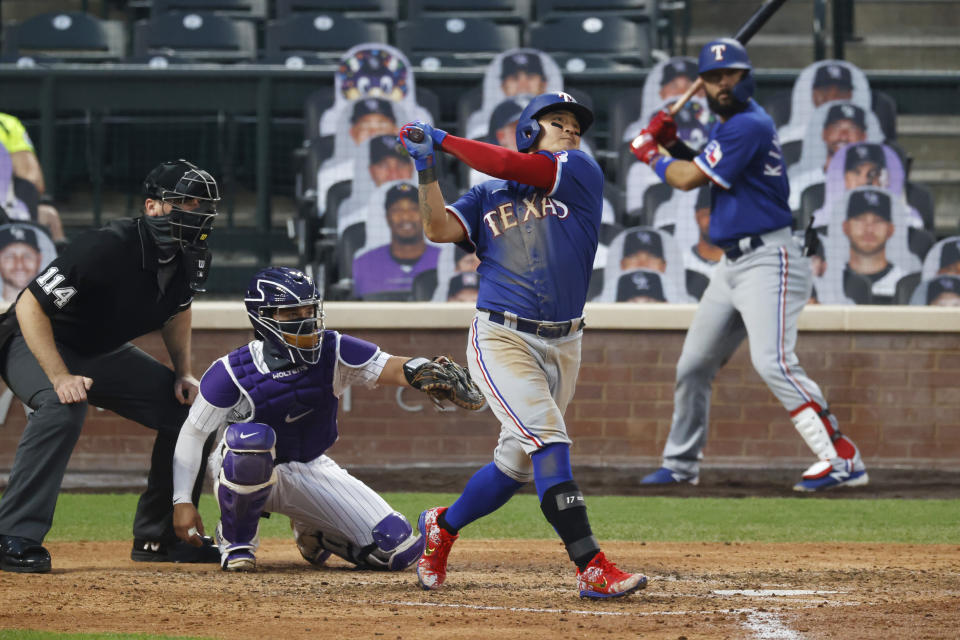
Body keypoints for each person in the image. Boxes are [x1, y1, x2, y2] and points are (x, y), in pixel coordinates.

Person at [398, 91, 646, 599]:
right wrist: (427, 168)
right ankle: (592, 566)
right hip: (502, 336)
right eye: (557, 123)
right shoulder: (488, 195)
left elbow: (511, 161)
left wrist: (443, 140)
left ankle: (441, 527)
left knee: (512, 468)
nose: (571, 131)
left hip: (565, 341)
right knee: (550, 442)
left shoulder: (579, 172)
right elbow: (437, 227)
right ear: (530, 129)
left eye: (576, 125)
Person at [630, 39, 868, 491]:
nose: (724, 83)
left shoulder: (748, 125)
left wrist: (651, 151)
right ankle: (681, 464)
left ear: (746, 76)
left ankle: (842, 458)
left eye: (731, 74)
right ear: (702, 86)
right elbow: (702, 166)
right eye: (715, 77)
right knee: (694, 365)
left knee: (773, 361)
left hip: (768, 258)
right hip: (733, 265)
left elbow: (686, 180)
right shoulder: (731, 126)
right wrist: (673, 142)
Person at [171, 267, 479, 571]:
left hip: (308, 465)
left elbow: (394, 367)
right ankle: (236, 541)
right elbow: (193, 433)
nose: (305, 320)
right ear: (263, 318)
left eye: (310, 310)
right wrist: (182, 500)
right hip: (241, 466)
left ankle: (314, 533)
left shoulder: (334, 349)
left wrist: (422, 370)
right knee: (251, 443)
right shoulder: (232, 371)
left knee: (396, 547)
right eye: (292, 314)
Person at [0, 159, 221, 573]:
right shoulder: (108, 244)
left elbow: (178, 311)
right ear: (153, 206)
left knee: (192, 411)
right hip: (31, 339)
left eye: (204, 205)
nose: (199, 213)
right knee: (61, 405)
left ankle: (161, 535)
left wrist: (183, 372)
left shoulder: (192, 256)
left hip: (97, 350)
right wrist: (59, 376)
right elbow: (30, 305)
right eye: (187, 202)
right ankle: (13, 534)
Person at [352, 182, 440, 299]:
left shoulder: (443, 260)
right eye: (397, 210)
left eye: (414, 209)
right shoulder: (363, 263)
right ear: (387, 217)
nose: (405, 217)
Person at [0, 112, 65, 243]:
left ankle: (58, 263)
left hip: (6, 206)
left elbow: (32, 180)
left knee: (49, 215)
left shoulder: (5, 124)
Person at [841, 189, 904, 304]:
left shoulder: (904, 284)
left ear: (891, 229)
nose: (869, 229)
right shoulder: (832, 282)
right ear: (845, 227)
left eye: (878, 221)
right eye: (860, 219)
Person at [0, 223, 44, 304]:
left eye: (27, 256)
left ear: (39, 259)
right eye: (10, 256)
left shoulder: (52, 308)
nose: (19, 265)